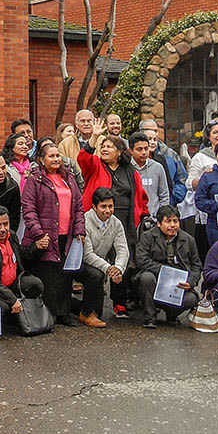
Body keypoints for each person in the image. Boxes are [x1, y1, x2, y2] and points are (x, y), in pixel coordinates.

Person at [20, 142, 85, 326]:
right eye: (51, 156)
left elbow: (78, 207)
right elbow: (29, 209)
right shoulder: (35, 180)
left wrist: (79, 230)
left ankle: (63, 312)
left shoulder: (69, 178)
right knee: (48, 275)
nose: (56, 159)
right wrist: (39, 233)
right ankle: (47, 314)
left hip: (68, 234)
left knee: (65, 275)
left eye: (58, 156)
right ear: (41, 160)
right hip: (46, 236)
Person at [77, 119, 148, 279]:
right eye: (103, 146)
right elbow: (83, 158)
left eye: (109, 146)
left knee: (122, 258)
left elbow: (140, 196)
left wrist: (143, 215)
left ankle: (120, 302)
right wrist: (94, 137)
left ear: (120, 151)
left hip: (124, 219)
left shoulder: (130, 171)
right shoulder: (95, 165)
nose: (104, 149)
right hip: (97, 220)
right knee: (96, 260)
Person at [134, 206, 201, 328]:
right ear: (159, 224)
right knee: (146, 278)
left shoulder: (188, 239)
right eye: (168, 221)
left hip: (177, 283)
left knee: (191, 298)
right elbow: (141, 260)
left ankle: (172, 315)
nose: (172, 225)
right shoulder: (148, 236)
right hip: (155, 278)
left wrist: (190, 282)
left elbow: (196, 265)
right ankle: (150, 318)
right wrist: (165, 272)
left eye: (175, 221)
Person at [0, 206, 43, 323]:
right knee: (3, 308)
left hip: (12, 284)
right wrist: (12, 299)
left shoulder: (11, 236)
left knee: (34, 284)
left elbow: (22, 258)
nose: (3, 229)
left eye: (5, 224)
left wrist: (37, 247)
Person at [78, 188, 129, 328]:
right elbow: (87, 255)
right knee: (96, 274)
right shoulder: (84, 221)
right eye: (103, 206)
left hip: (100, 264)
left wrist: (118, 268)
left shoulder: (116, 223)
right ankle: (86, 313)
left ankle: (91, 311)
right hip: (79, 263)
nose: (108, 210)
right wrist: (109, 268)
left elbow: (122, 249)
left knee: (124, 268)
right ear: (94, 207)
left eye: (110, 206)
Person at [139, 118, 188, 208]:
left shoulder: (170, 154)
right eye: (147, 131)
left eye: (155, 131)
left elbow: (182, 179)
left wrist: (173, 198)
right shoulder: (133, 157)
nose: (152, 134)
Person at [129, 131, 170, 219]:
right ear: (131, 151)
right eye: (139, 149)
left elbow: (164, 195)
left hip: (153, 219)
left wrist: (160, 217)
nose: (144, 152)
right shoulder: (126, 168)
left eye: (146, 149)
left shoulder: (157, 167)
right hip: (132, 219)